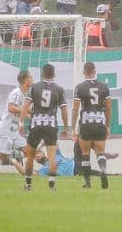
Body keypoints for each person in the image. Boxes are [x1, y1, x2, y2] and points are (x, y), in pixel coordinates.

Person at [0, 70, 32, 187]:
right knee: (1, 158)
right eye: (31, 77)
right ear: (25, 80)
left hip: (14, 131)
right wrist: (27, 110)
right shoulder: (16, 93)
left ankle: (11, 155)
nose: (32, 80)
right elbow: (11, 108)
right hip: (5, 130)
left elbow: (21, 112)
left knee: (29, 151)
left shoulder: (26, 94)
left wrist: (29, 115)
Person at [21, 63, 68, 191]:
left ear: (42, 74)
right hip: (51, 125)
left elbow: (25, 106)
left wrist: (21, 123)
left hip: (36, 124)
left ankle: (28, 184)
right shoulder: (59, 89)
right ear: (54, 74)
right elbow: (64, 110)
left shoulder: (34, 87)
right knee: (52, 155)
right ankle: (52, 186)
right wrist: (65, 127)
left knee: (30, 155)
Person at [71, 61, 113, 189]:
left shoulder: (80, 87)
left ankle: (88, 183)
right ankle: (103, 171)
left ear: (84, 72)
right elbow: (108, 108)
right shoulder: (104, 87)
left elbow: (75, 108)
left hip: (86, 123)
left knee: (85, 153)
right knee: (100, 152)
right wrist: (107, 125)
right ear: (95, 71)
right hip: (100, 121)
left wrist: (73, 128)